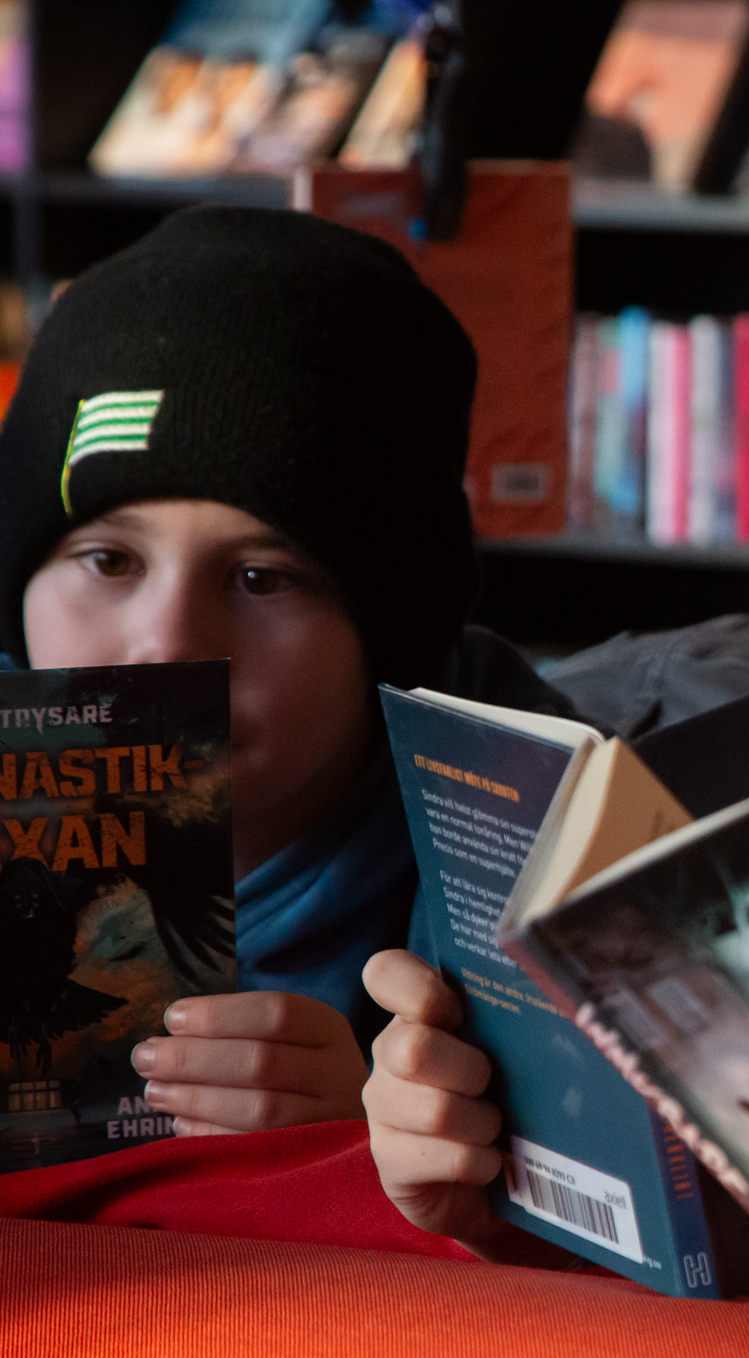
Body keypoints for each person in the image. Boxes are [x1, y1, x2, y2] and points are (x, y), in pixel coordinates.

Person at [0, 204, 574, 1138]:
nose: (168, 642)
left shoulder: (521, 862)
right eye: (109, 561)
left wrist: (364, 1155)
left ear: (390, 636)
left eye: (260, 577)